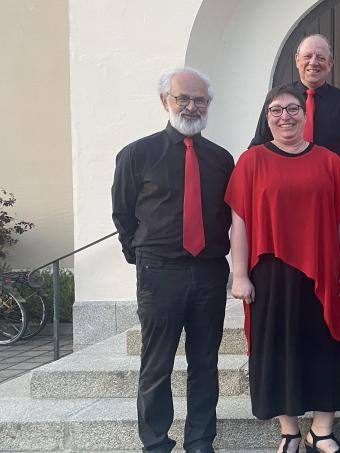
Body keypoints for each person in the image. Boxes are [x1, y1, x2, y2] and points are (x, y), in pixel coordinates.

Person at [226, 84, 340, 453]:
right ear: (267, 118)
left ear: (305, 114)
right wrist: (239, 274)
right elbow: (240, 220)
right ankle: (290, 431)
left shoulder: (330, 160)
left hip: (322, 269)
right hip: (270, 271)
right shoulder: (251, 161)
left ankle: (323, 429)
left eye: (293, 109)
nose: (285, 116)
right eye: (276, 110)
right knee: (277, 348)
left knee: (325, 346)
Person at [111, 67, 234, 453]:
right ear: (165, 101)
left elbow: (227, 216)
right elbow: (123, 214)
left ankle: (200, 443)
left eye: (200, 100)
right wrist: (145, 255)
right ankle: (156, 444)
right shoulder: (136, 154)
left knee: (204, 365)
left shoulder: (221, 159)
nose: (192, 106)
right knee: (157, 365)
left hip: (210, 272)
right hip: (159, 272)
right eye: (184, 98)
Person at [249, 34, 340, 223]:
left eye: (321, 58)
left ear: (330, 64)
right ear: (297, 60)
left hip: (332, 195)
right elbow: (258, 144)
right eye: (308, 56)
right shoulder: (277, 100)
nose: (313, 62)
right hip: (282, 194)